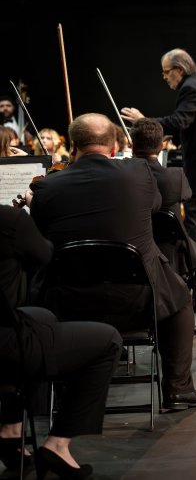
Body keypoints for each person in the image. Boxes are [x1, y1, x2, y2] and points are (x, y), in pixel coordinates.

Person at [24, 112, 196, 410]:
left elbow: (42, 230)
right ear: (113, 148)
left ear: (72, 147)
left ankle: (46, 397)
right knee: (180, 300)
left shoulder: (46, 188)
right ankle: (177, 388)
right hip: (139, 303)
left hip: (69, 306)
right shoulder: (138, 173)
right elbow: (157, 206)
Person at [0, 204, 122, 479]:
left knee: (42, 316)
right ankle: (58, 444)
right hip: (6, 342)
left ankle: (10, 431)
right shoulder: (8, 219)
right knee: (109, 340)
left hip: (8, 328)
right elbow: (43, 254)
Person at [120, 48, 196, 284]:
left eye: (166, 72)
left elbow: (179, 121)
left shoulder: (191, 88)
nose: (165, 77)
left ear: (179, 70)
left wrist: (144, 122)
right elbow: (193, 125)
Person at [130, 117, 196, 296]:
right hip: (172, 251)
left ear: (132, 146)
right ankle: (184, 300)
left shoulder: (124, 178)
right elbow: (187, 196)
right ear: (162, 146)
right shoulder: (176, 176)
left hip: (136, 250)